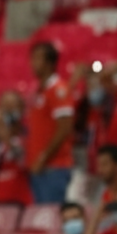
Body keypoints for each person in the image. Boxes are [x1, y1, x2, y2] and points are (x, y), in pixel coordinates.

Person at [27, 42, 75, 204]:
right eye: (32, 58)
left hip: (54, 166)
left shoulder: (58, 90)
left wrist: (43, 158)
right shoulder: (40, 91)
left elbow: (65, 128)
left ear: (50, 63)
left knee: (52, 213)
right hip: (38, 166)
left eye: (37, 59)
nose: (32, 63)